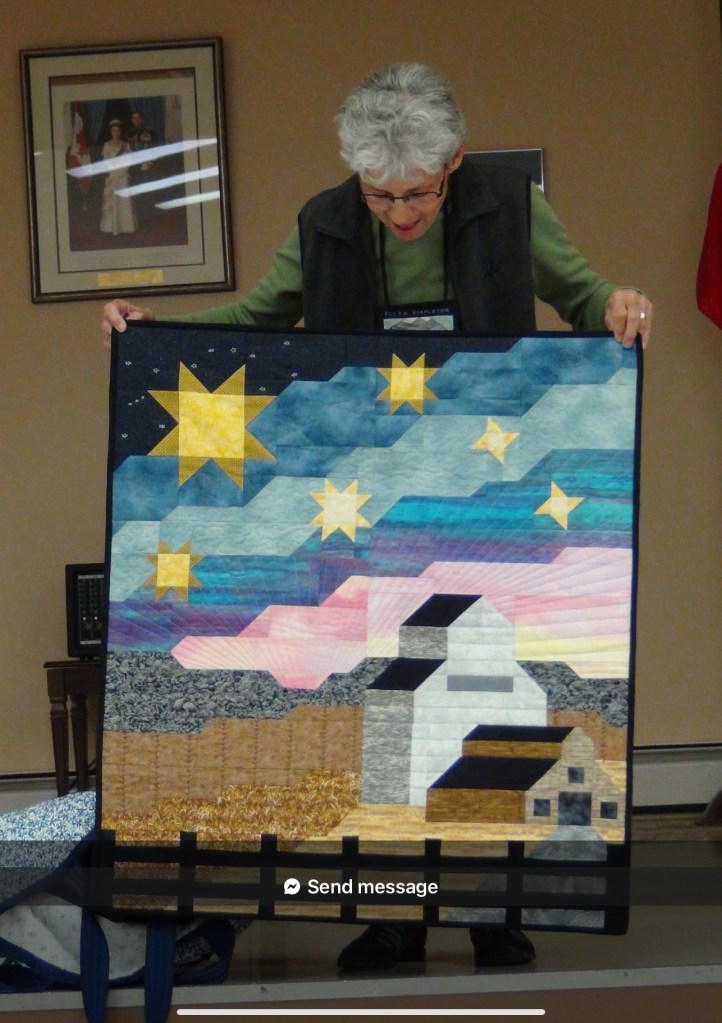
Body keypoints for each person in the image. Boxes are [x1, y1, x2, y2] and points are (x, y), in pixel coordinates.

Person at [101, 63, 653, 971]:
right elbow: (257, 317)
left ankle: (493, 909)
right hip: (372, 496)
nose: (400, 213)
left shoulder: (513, 207)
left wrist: (619, 306)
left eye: (418, 194)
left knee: (488, 706)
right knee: (379, 696)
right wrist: (154, 329)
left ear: (456, 162)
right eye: (380, 194)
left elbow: (584, 294)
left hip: (489, 488)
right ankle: (395, 915)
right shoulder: (323, 221)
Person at [99, 119, 137, 237]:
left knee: (124, 199)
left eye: (118, 130)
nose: (115, 133)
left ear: (120, 132)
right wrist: (113, 169)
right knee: (112, 200)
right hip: (112, 175)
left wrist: (123, 171)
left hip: (122, 175)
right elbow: (105, 161)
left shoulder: (125, 145)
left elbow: (129, 160)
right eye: (113, 131)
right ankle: (111, 226)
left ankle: (126, 226)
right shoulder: (106, 145)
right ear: (110, 132)